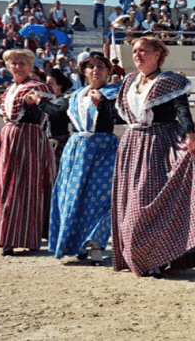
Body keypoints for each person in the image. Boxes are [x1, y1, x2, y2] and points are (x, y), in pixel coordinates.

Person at [112, 37, 195, 277]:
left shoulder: (170, 81)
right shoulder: (129, 82)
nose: (137, 55)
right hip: (133, 146)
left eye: (143, 50)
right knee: (132, 203)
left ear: (157, 54)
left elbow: (182, 109)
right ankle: (144, 257)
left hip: (161, 144)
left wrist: (189, 132)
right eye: (135, 51)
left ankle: (157, 256)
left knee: (153, 204)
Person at [46, 53, 119, 264]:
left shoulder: (114, 93)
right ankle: (77, 242)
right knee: (74, 196)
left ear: (108, 71)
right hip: (77, 148)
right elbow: (56, 111)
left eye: (100, 66)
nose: (95, 69)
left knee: (102, 197)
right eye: (91, 66)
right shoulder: (77, 95)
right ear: (84, 72)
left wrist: (103, 104)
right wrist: (39, 102)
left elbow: (119, 115)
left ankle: (96, 243)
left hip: (104, 147)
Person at [0, 49, 56, 256]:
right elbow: (4, 111)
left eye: (22, 62)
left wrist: (30, 104)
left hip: (28, 139)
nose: (18, 66)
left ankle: (24, 236)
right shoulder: (9, 90)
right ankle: (6, 236)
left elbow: (38, 111)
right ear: (7, 66)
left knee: (26, 186)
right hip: (8, 139)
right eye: (14, 63)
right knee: (3, 184)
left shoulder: (37, 87)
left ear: (30, 65)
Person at [25, 68, 72, 167]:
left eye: (50, 84)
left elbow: (56, 112)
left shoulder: (63, 101)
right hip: (45, 143)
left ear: (59, 86)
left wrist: (39, 102)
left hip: (58, 144)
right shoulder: (45, 102)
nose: (46, 86)